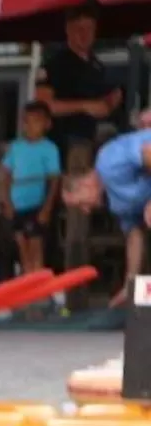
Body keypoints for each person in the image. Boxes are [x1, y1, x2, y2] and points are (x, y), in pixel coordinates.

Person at [36, 8, 120, 159]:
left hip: (94, 140)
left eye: (89, 29)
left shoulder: (97, 65)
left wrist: (111, 102)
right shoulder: (55, 64)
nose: (85, 34)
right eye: (79, 28)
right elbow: (43, 105)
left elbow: (104, 101)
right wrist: (85, 106)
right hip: (63, 143)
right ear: (68, 29)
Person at [96, 128, 151, 307]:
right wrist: (130, 284)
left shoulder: (107, 162)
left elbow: (148, 153)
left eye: (81, 204)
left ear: (84, 184)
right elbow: (134, 235)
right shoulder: (116, 204)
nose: (86, 211)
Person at [5, 103, 61, 276]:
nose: (30, 126)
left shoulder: (49, 148)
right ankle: (26, 279)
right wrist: (7, 202)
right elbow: (7, 175)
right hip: (17, 203)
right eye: (26, 121)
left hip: (36, 203)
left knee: (36, 243)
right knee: (21, 242)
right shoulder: (16, 147)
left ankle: (38, 280)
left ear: (47, 124)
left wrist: (47, 208)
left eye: (36, 121)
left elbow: (54, 180)